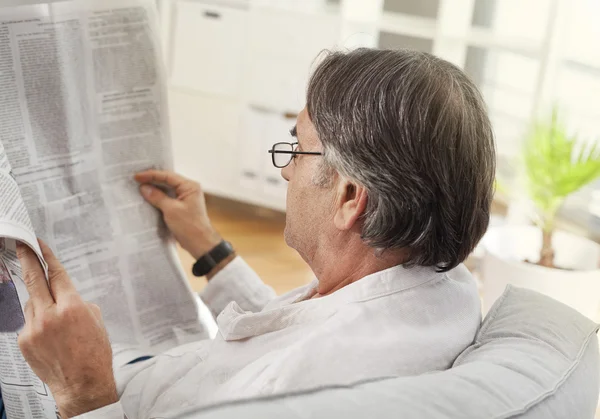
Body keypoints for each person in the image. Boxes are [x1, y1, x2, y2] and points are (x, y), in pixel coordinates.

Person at [14, 48, 495, 419]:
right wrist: (209, 248)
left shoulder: (296, 390)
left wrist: (84, 394)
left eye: (298, 150)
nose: (286, 172)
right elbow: (295, 330)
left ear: (350, 198)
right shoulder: (437, 284)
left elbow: (288, 365)